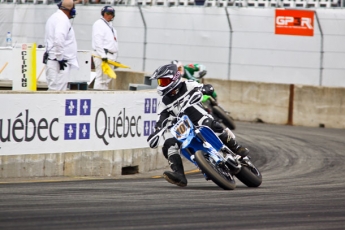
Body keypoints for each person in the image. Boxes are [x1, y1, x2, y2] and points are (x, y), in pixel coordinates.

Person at [147, 64, 249, 187]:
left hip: (201, 120)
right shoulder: (164, 102)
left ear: (174, 78)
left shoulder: (189, 84)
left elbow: (208, 87)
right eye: (160, 81)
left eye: (164, 81)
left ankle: (236, 147)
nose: (162, 84)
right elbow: (160, 120)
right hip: (184, 130)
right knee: (168, 144)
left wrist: (204, 90)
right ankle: (179, 175)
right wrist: (156, 132)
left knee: (211, 124)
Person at [44, 0, 78, 91]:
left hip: (55, 60)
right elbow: (59, 39)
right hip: (58, 62)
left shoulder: (55, 17)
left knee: (54, 89)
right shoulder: (62, 20)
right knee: (58, 91)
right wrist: (60, 58)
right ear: (71, 10)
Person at [92, 6, 119, 90]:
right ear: (103, 14)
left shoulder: (110, 26)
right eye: (107, 13)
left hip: (110, 55)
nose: (109, 16)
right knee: (101, 79)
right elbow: (98, 41)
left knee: (107, 79)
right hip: (103, 55)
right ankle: (97, 98)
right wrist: (103, 55)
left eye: (111, 14)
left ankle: (103, 98)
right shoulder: (99, 24)